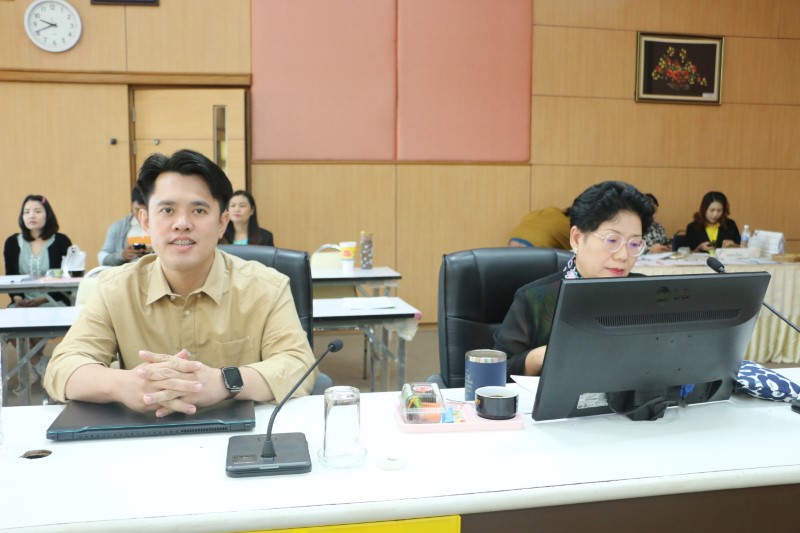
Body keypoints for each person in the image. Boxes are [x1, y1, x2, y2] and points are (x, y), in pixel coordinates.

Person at [44, 149, 315, 416]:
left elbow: (299, 365)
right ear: (146, 221)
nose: (182, 224)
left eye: (198, 210)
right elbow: (62, 368)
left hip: (242, 434)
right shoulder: (115, 288)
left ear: (222, 223)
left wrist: (224, 381)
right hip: (144, 435)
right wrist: (123, 384)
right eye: (167, 210)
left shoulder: (266, 287)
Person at [494, 181, 653, 377]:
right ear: (577, 238)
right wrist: (538, 357)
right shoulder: (536, 298)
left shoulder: (647, 294)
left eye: (634, 244)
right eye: (612, 240)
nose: (623, 256)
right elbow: (496, 372)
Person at [4, 195, 73, 308]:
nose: (31, 216)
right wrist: (18, 298)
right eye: (26, 212)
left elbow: (67, 277)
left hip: (54, 301)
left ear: (47, 215)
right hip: (23, 303)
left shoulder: (61, 241)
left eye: (37, 211)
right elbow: (10, 276)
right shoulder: (12, 242)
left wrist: (42, 300)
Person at [97, 187, 150, 266]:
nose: (141, 215)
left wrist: (154, 252)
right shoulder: (118, 227)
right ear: (131, 205)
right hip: (127, 271)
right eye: (137, 210)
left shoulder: (162, 226)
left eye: (146, 211)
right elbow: (103, 258)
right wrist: (122, 255)